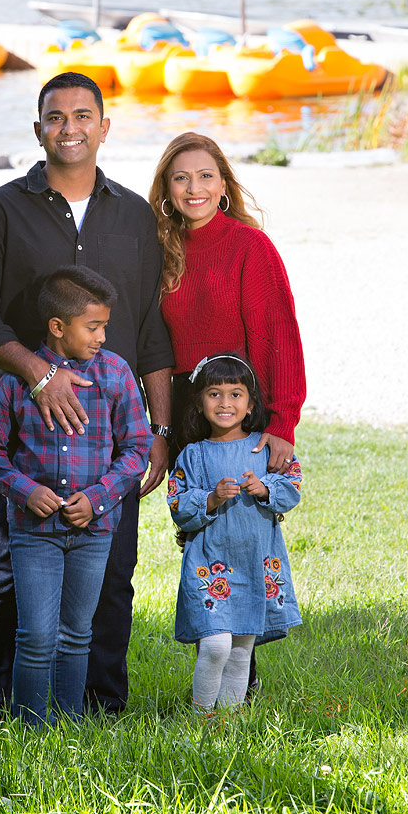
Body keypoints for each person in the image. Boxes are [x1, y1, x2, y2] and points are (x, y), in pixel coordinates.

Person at [0, 71, 174, 715]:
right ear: (38, 128)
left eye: (84, 116)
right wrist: (38, 372)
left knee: (110, 573)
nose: (70, 127)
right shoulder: (1, 210)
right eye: (56, 117)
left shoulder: (134, 214)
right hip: (28, 430)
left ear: (104, 128)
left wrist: (160, 431)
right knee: (11, 569)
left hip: (112, 433)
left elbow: (150, 329)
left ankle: (98, 706)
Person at [149, 130, 306, 695]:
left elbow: (279, 339)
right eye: (181, 177)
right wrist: (160, 426)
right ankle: (214, 660)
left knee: (244, 531)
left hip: (236, 407)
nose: (194, 188)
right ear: (166, 188)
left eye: (206, 176)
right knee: (200, 533)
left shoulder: (249, 247)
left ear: (224, 184)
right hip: (185, 408)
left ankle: (242, 671)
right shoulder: (158, 249)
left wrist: (280, 424)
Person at [0, 266, 152, 725]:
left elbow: (137, 448)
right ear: (57, 327)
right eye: (92, 327)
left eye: (104, 326)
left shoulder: (115, 374)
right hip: (34, 533)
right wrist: (26, 491)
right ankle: (32, 730)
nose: (101, 336)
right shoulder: (17, 381)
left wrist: (98, 498)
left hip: (95, 529)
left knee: (77, 635)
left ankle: (70, 727)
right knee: (35, 635)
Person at [167, 352, 302, 711]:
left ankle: (227, 722)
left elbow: (293, 485)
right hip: (210, 563)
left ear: (251, 402)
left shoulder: (264, 447)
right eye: (214, 393)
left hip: (255, 561)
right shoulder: (193, 454)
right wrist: (210, 499)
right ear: (198, 401)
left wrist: (266, 489)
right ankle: (200, 719)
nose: (225, 403)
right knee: (214, 645)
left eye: (236, 393)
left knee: (242, 651)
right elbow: (177, 502)